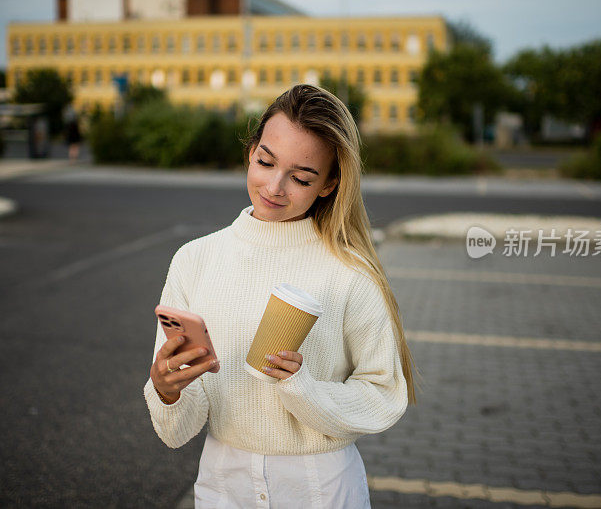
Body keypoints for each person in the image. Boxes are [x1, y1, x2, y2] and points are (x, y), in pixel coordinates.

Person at [143, 84, 420, 508]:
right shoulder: (195, 259)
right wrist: (167, 390)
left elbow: (384, 394)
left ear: (329, 185)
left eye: (301, 177)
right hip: (222, 485)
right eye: (265, 161)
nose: (274, 186)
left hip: (320, 489)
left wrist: (302, 386)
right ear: (250, 151)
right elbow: (179, 429)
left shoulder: (350, 272)